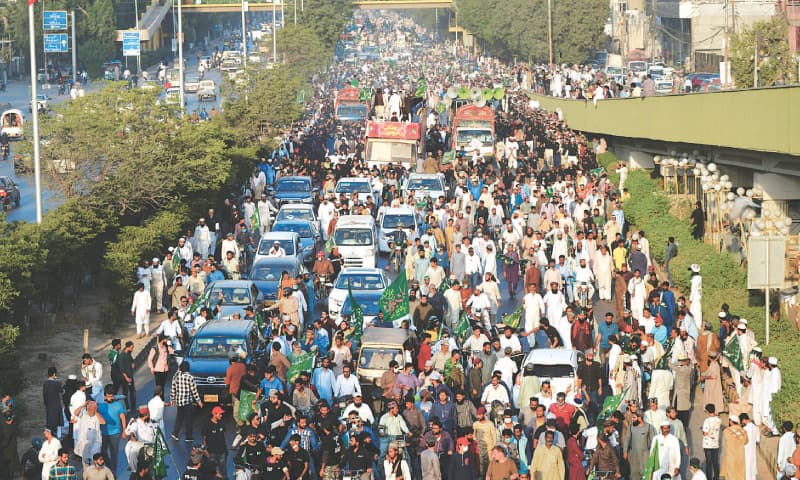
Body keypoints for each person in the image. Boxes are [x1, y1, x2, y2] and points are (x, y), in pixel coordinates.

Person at [170, 361, 203, 442]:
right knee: (189, 420)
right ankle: (188, 436)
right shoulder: (190, 377)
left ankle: (175, 433)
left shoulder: (176, 376)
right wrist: (199, 401)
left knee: (179, 418)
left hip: (179, 402)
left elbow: (173, 389)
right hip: (188, 402)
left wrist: (172, 399)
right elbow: (194, 391)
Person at [720, 415, 747, 480]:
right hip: (741, 457)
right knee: (740, 475)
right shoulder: (744, 431)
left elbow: (724, 444)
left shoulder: (726, 431)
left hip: (731, 457)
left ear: (731, 421)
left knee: (731, 476)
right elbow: (746, 442)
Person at [701, 403, 721, 480]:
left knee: (709, 463)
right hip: (715, 444)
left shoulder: (707, 421)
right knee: (715, 462)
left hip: (708, 445)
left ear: (707, 411)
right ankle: (716, 477)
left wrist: (702, 431)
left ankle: (709, 477)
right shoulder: (718, 420)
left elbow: (705, 433)